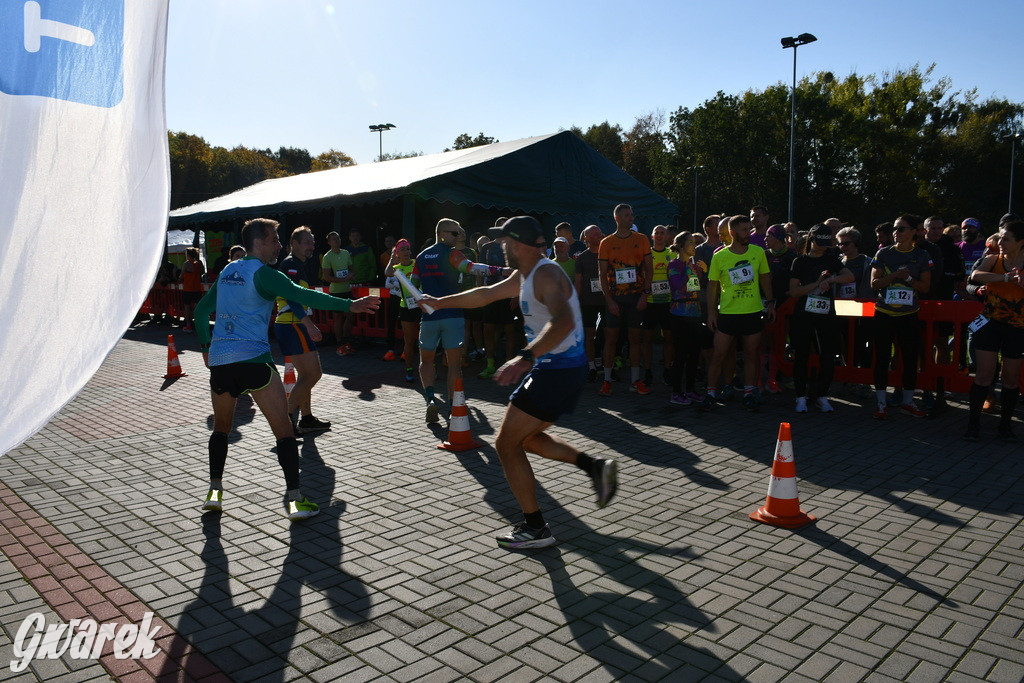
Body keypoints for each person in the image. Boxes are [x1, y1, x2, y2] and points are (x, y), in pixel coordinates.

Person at [418, 216, 617, 549]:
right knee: (527, 439)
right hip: (556, 370)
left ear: (522, 244)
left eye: (506, 242)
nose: (502, 247)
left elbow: (565, 321)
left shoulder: (547, 274)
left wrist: (525, 356)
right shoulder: (525, 273)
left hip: (557, 369)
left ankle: (536, 528)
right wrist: (440, 302)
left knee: (505, 445)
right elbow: (485, 294)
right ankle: (595, 467)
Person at [194, 218, 379, 521]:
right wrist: (351, 307)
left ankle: (214, 494)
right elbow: (305, 297)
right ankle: (295, 501)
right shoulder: (265, 274)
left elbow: (202, 312)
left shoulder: (228, 270)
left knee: (221, 430)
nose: (279, 245)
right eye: (275, 239)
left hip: (222, 363)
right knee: (283, 432)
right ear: (259, 242)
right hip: (255, 362)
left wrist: (205, 348)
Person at [415, 218, 504, 422]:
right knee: (454, 364)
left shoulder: (421, 257)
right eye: (455, 233)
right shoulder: (452, 254)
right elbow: (471, 267)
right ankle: (454, 407)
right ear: (442, 234)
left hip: (429, 316)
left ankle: (430, 400)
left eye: (460, 232)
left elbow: (413, 286)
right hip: (452, 314)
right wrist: (499, 270)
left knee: (426, 361)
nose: (459, 236)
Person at [699, 215, 775, 412]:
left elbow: (765, 278)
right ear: (732, 233)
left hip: (752, 311)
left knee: (751, 354)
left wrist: (771, 303)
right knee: (719, 355)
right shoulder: (720, 256)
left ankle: (749, 393)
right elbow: (712, 287)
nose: (748, 233)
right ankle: (711, 393)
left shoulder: (758, 252)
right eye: (743, 230)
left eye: (749, 229)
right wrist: (711, 314)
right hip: (727, 313)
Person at [964, 220, 1024, 441]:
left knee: (1010, 378)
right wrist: (1005, 278)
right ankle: (973, 425)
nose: (1001, 243)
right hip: (990, 324)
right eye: (1000, 238)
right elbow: (975, 275)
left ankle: (1005, 427)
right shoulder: (993, 259)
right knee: (984, 375)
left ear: (1021, 242)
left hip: (1017, 327)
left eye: (1006, 239)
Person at [869, 215, 932, 419]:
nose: (897, 232)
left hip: (909, 314)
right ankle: (880, 403)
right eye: (895, 229)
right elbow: (874, 284)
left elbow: (925, 287)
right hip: (884, 313)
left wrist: (909, 278)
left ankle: (907, 401)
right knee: (882, 358)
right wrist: (894, 276)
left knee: (910, 358)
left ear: (914, 231)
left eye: (902, 229)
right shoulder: (883, 253)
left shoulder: (922, 255)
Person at [787, 224, 855, 413]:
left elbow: (849, 276)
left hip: (825, 314)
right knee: (801, 355)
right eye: (819, 242)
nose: (823, 246)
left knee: (827, 355)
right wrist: (816, 284)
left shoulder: (831, 259)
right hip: (804, 313)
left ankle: (822, 395)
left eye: (826, 243)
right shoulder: (799, 262)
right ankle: (801, 396)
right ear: (811, 239)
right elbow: (793, 291)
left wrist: (831, 280)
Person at [274, 227, 332, 434]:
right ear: (294, 244)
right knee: (314, 374)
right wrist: (308, 323)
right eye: (307, 242)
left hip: (293, 324)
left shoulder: (298, 265)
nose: (311, 246)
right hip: (293, 324)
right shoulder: (290, 264)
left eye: (313, 242)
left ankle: (306, 418)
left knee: (305, 374)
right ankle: (287, 418)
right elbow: (291, 297)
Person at [598, 203, 654, 396]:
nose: (631, 218)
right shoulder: (606, 242)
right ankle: (606, 381)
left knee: (635, 339)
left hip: (636, 298)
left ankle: (635, 380)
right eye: (627, 215)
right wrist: (609, 301)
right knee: (611, 339)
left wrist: (645, 295)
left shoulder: (642, 239)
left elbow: (649, 269)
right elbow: (602, 274)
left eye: (632, 215)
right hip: (615, 299)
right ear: (617, 218)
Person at [666, 231, 710, 404]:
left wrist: (703, 272)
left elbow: (699, 287)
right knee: (681, 354)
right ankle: (676, 393)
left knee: (694, 353)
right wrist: (689, 269)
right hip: (679, 314)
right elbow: (677, 287)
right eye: (691, 242)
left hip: (695, 312)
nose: (694, 245)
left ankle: (690, 389)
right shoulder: (674, 265)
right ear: (682, 246)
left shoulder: (694, 265)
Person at [479, 218, 518, 380]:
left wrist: (516, 295)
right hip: (490, 294)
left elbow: (518, 273)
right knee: (488, 330)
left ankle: (508, 366)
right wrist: (480, 293)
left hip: (508, 295)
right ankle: (490, 365)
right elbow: (480, 272)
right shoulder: (486, 248)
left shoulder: (513, 247)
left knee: (510, 331)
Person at [763, 224, 796, 393]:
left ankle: (774, 379)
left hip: (785, 306)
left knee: (780, 344)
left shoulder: (791, 256)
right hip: (766, 304)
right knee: (764, 343)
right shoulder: (764, 255)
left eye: (768, 236)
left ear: (776, 238)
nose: (764, 239)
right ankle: (762, 380)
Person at [384, 239, 420, 383]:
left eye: (407, 249)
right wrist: (392, 257)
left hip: (420, 306)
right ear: (398, 253)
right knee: (409, 341)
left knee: (425, 341)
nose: (406, 252)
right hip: (406, 307)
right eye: (402, 249)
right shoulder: (397, 267)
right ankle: (409, 370)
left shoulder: (417, 264)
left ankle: (431, 367)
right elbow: (387, 272)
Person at [641, 224, 673, 386]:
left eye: (662, 233)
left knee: (668, 337)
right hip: (650, 302)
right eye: (657, 233)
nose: (659, 235)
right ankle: (647, 370)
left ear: (667, 236)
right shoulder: (647, 254)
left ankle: (667, 370)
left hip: (667, 302)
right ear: (652, 236)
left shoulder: (672, 253)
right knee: (647, 338)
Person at [573, 225, 605, 382]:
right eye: (594, 234)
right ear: (586, 238)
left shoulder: (607, 254)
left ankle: (606, 366)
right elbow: (578, 281)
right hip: (588, 302)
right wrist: (577, 301)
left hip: (607, 301)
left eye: (599, 233)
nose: (598, 235)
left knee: (606, 334)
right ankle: (591, 366)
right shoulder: (582, 258)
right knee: (589, 335)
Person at [320, 231, 355, 355]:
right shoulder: (327, 257)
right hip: (335, 291)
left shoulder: (345, 253)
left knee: (350, 316)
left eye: (338, 238)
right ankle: (340, 344)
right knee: (338, 318)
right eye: (334, 239)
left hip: (347, 290)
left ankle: (346, 341)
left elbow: (352, 269)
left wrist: (350, 275)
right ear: (329, 242)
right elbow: (327, 277)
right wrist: (342, 279)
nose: (337, 240)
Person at [180, 247, 206, 333]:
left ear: (188, 255)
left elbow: (181, 276)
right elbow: (202, 273)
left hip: (187, 288)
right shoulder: (199, 264)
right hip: (196, 288)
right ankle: (198, 324)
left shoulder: (186, 264)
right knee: (197, 307)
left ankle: (188, 325)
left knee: (187, 308)